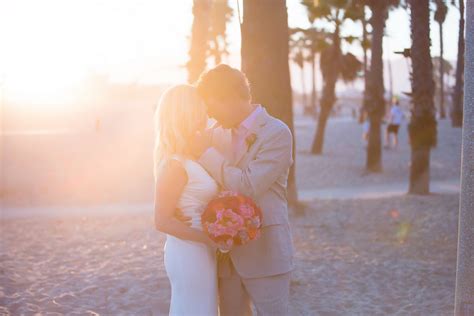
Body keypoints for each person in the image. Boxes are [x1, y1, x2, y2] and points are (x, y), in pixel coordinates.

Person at [185, 64, 295, 316]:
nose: (210, 114)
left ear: (231, 98)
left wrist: (205, 153)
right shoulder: (215, 134)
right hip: (226, 256)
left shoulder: (277, 133)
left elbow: (249, 186)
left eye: (212, 105)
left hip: (266, 252)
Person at [153, 84, 220, 315]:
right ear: (187, 113)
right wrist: (210, 239)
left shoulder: (191, 156)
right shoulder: (174, 164)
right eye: (201, 109)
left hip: (199, 248)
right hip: (188, 250)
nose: (206, 114)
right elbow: (161, 221)